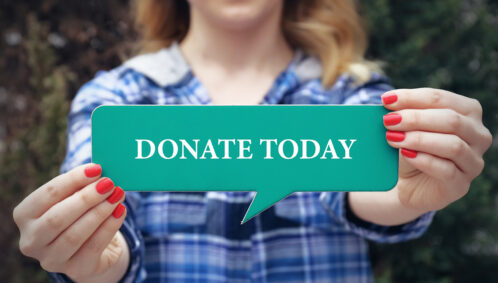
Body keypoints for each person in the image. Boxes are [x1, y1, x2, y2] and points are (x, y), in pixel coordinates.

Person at [13, 0, 492, 282]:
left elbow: (361, 190)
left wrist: (405, 188)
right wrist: (87, 252)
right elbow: (105, 239)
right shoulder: (116, 99)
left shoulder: (352, 95)